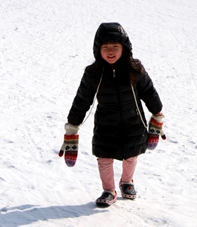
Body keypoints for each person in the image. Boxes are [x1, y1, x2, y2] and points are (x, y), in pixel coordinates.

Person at [59, 22, 165, 208]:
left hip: (133, 122)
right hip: (106, 124)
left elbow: (148, 91)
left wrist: (157, 113)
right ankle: (108, 190)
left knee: (131, 155)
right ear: (97, 50)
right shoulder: (93, 73)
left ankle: (127, 182)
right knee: (104, 158)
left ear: (124, 48)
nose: (110, 51)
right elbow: (82, 100)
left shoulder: (135, 69)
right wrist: (72, 127)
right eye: (105, 47)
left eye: (115, 47)